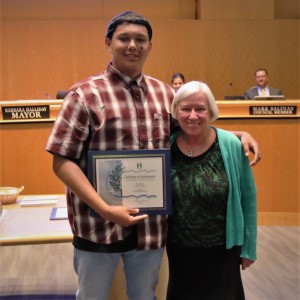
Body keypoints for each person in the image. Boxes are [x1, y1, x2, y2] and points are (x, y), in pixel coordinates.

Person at [45, 11, 260, 300]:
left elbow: (191, 128)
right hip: (97, 226)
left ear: (150, 46)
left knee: (145, 295)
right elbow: (62, 160)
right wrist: (105, 209)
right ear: (108, 42)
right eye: (124, 38)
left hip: (150, 229)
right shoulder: (84, 95)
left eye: (141, 39)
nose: (133, 45)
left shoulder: (165, 95)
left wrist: (236, 136)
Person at [166, 81, 257, 300]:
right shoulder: (165, 145)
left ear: (211, 111)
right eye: (186, 109)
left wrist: (248, 248)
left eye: (200, 109)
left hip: (223, 251)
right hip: (180, 250)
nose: (193, 115)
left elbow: (248, 198)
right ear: (176, 111)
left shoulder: (231, 145)